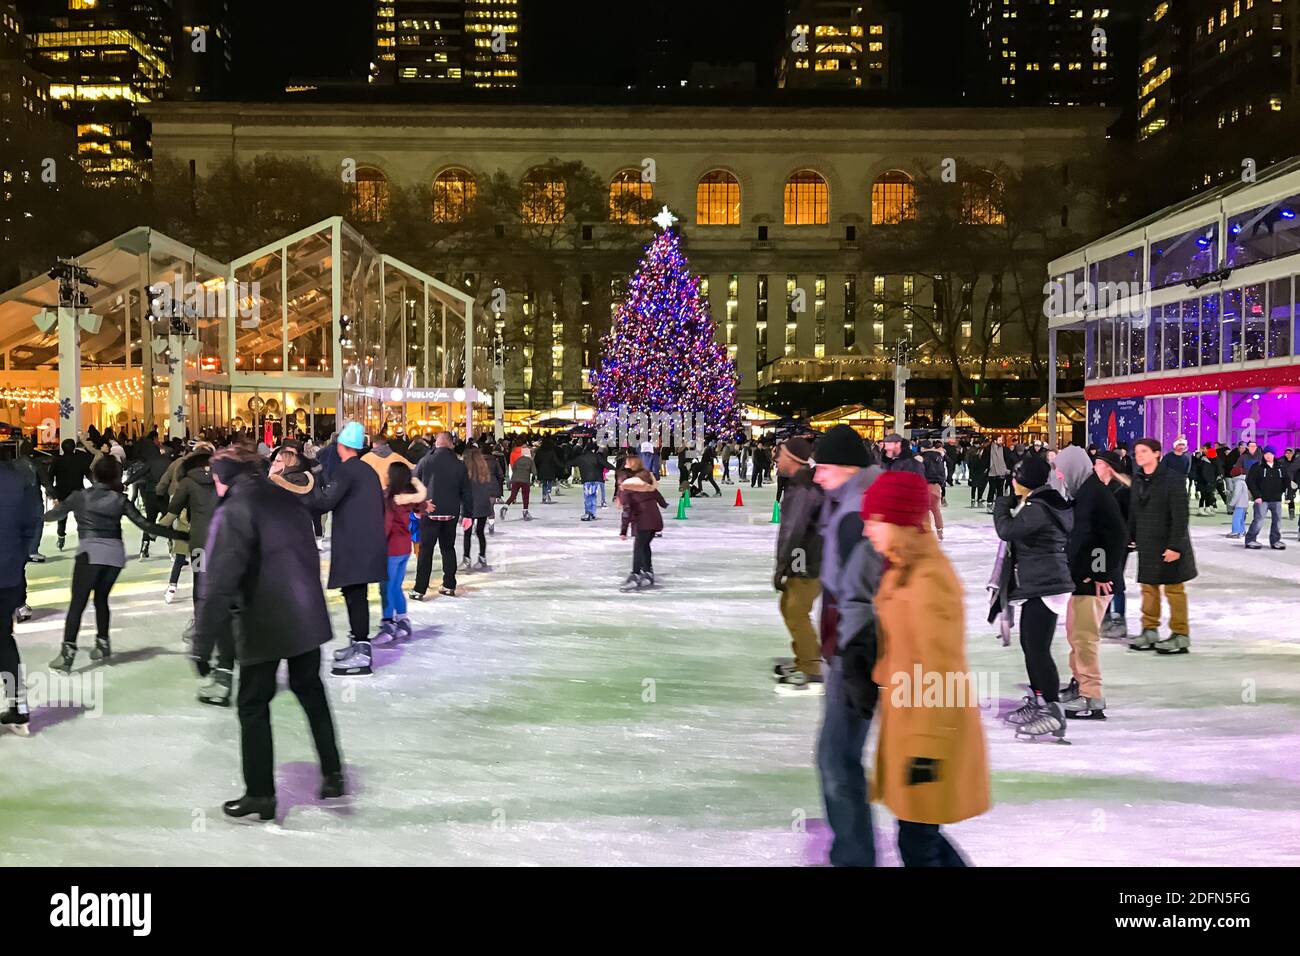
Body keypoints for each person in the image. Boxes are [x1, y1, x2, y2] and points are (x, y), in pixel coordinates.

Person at [194, 445, 344, 822]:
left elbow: (219, 580)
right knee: (310, 690)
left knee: (252, 705)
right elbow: (308, 552)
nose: (213, 482)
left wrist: (203, 642)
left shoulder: (235, 510)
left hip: (265, 619)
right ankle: (333, 773)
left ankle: (260, 794)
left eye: (216, 475)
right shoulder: (282, 494)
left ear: (226, 475)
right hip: (305, 613)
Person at [862, 470, 988, 866]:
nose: (867, 531)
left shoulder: (929, 580)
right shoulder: (903, 568)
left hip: (930, 732)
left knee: (918, 842)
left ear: (897, 522)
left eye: (874, 521)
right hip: (910, 723)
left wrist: (926, 750)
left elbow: (941, 670)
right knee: (920, 838)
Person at [811, 424, 882, 867]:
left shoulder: (858, 511)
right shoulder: (852, 503)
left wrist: (852, 660)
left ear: (845, 467)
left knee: (836, 758)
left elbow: (858, 594)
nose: (817, 476)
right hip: (852, 649)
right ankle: (853, 851)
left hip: (855, 653)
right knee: (840, 756)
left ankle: (853, 856)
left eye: (823, 467)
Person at [43, 456, 184, 671]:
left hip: (90, 554)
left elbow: (55, 514)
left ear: (95, 474)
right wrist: (179, 535)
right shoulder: (120, 500)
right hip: (115, 557)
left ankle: (67, 654)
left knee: (78, 604)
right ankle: (103, 644)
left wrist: (29, 518)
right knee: (101, 598)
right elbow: (146, 524)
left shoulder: (79, 497)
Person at [992, 454, 1074, 740]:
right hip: (1041, 582)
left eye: (1016, 478)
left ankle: (1051, 711)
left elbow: (1008, 530)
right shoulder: (1042, 502)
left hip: (1046, 583)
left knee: (1037, 649)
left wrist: (1001, 505)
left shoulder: (1039, 507)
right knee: (1032, 646)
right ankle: (1041, 701)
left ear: (1024, 481)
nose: (1012, 482)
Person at [308, 421, 388, 675]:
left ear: (341, 446)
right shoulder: (366, 470)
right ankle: (358, 642)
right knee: (355, 593)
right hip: (366, 542)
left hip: (355, 545)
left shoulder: (346, 471)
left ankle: (362, 649)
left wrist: (308, 486)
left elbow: (325, 502)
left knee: (355, 594)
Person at [1055, 445, 1126, 720]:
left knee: (1084, 638)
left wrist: (1100, 573)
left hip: (1094, 582)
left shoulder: (1094, 493)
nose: (1060, 475)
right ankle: (1079, 684)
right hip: (1083, 578)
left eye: (1062, 470)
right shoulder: (1084, 491)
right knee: (1075, 634)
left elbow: (1115, 535)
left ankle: (1091, 697)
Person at [1129, 438, 1197, 655]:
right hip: (1148, 543)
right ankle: (1149, 629)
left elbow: (1180, 516)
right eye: (1137, 452)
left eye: (1144, 451)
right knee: (1148, 588)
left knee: (1174, 589)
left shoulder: (1172, 479)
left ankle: (1180, 634)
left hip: (1169, 544)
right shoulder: (1138, 479)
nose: (1139, 455)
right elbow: (1134, 512)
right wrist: (1131, 536)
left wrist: (1175, 546)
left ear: (1157, 453)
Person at [772, 437, 824, 695]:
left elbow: (793, 530)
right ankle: (804, 659)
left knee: (795, 610)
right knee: (789, 607)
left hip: (808, 559)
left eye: (780, 455)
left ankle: (812, 670)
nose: (776, 459)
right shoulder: (800, 484)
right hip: (804, 557)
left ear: (793, 459)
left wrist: (781, 567)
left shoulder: (803, 488)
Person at [0, 448, 37, 733]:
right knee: (3, 639)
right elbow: (31, 523)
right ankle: (18, 707)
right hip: (9, 573)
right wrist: (20, 555)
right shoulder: (19, 480)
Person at [412, 432, 474, 598]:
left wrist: (417, 508)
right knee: (448, 548)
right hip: (450, 514)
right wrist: (467, 514)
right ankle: (449, 585)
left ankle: (419, 589)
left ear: (436, 444)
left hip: (429, 513)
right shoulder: (459, 464)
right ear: (451, 444)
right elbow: (466, 491)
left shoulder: (425, 461)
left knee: (426, 551)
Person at [380, 461, 426, 640]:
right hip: (404, 547)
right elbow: (421, 505)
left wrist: (377, 543)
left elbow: (386, 524)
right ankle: (402, 619)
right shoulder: (408, 497)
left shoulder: (390, 498)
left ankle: (388, 623)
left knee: (387, 587)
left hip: (391, 548)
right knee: (395, 586)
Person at [1093, 450, 1132, 640]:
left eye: (1098, 463)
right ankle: (1104, 616)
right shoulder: (1095, 487)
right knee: (1099, 579)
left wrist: (1131, 538)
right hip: (1098, 544)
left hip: (1117, 544)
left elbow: (1130, 516)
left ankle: (1118, 619)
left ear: (1108, 467)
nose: (1095, 467)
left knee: (1115, 580)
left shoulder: (1122, 490)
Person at [617, 466, 668, 590]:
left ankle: (635, 575)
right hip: (656, 521)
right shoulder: (645, 486)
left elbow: (626, 512)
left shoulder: (626, 491)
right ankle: (648, 572)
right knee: (645, 546)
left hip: (643, 522)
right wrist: (663, 504)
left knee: (638, 548)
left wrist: (623, 531)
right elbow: (658, 495)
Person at [50, 437, 93, 551]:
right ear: (74, 448)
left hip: (62, 492)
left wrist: (51, 492)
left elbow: (50, 476)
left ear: (62, 448)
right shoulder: (80, 460)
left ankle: (61, 536)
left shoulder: (57, 460)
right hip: (78, 492)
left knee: (62, 517)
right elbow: (89, 475)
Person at [1244, 446, 1287, 550]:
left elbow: (1286, 481)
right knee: (1259, 520)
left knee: (1277, 521)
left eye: (1270, 454)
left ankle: (1275, 541)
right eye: (1266, 453)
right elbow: (1250, 481)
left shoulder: (1280, 467)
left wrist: (1284, 493)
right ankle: (1250, 539)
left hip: (1276, 499)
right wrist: (1257, 496)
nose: (1268, 456)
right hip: (1262, 499)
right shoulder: (1257, 466)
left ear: (1274, 455)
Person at [461, 444, 495, 569]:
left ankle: (466, 559)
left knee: (467, 533)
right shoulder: (484, 470)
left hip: (469, 506)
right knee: (480, 532)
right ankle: (482, 558)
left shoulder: (465, 471)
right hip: (483, 505)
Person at [575, 443, 613, 520]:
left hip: (587, 480)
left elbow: (573, 463)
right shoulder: (597, 457)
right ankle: (592, 513)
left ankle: (588, 513)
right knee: (592, 496)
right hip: (595, 479)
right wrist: (616, 469)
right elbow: (606, 464)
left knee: (587, 497)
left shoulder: (583, 457)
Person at [919, 440, 947, 539]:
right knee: (936, 510)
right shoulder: (939, 457)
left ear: (923, 448)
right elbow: (943, 472)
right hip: (937, 486)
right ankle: (940, 531)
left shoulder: (922, 458)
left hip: (926, 485)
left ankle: (925, 531)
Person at [502, 445, 536, 521]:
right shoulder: (530, 461)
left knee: (513, 495)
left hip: (515, 480)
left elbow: (514, 468)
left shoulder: (518, 460)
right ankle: (525, 511)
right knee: (525, 496)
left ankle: (505, 506)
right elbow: (534, 472)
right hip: (525, 481)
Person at [1226, 464, 1250, 539]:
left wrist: (1231, 503)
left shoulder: (1238, 482)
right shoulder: (1242, 481)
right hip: (1244, 504)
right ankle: (1242, 531)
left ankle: (1236, 532)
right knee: (1241, 518)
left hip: (1239, 504)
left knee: (1236, 518)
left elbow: (1237, 494)